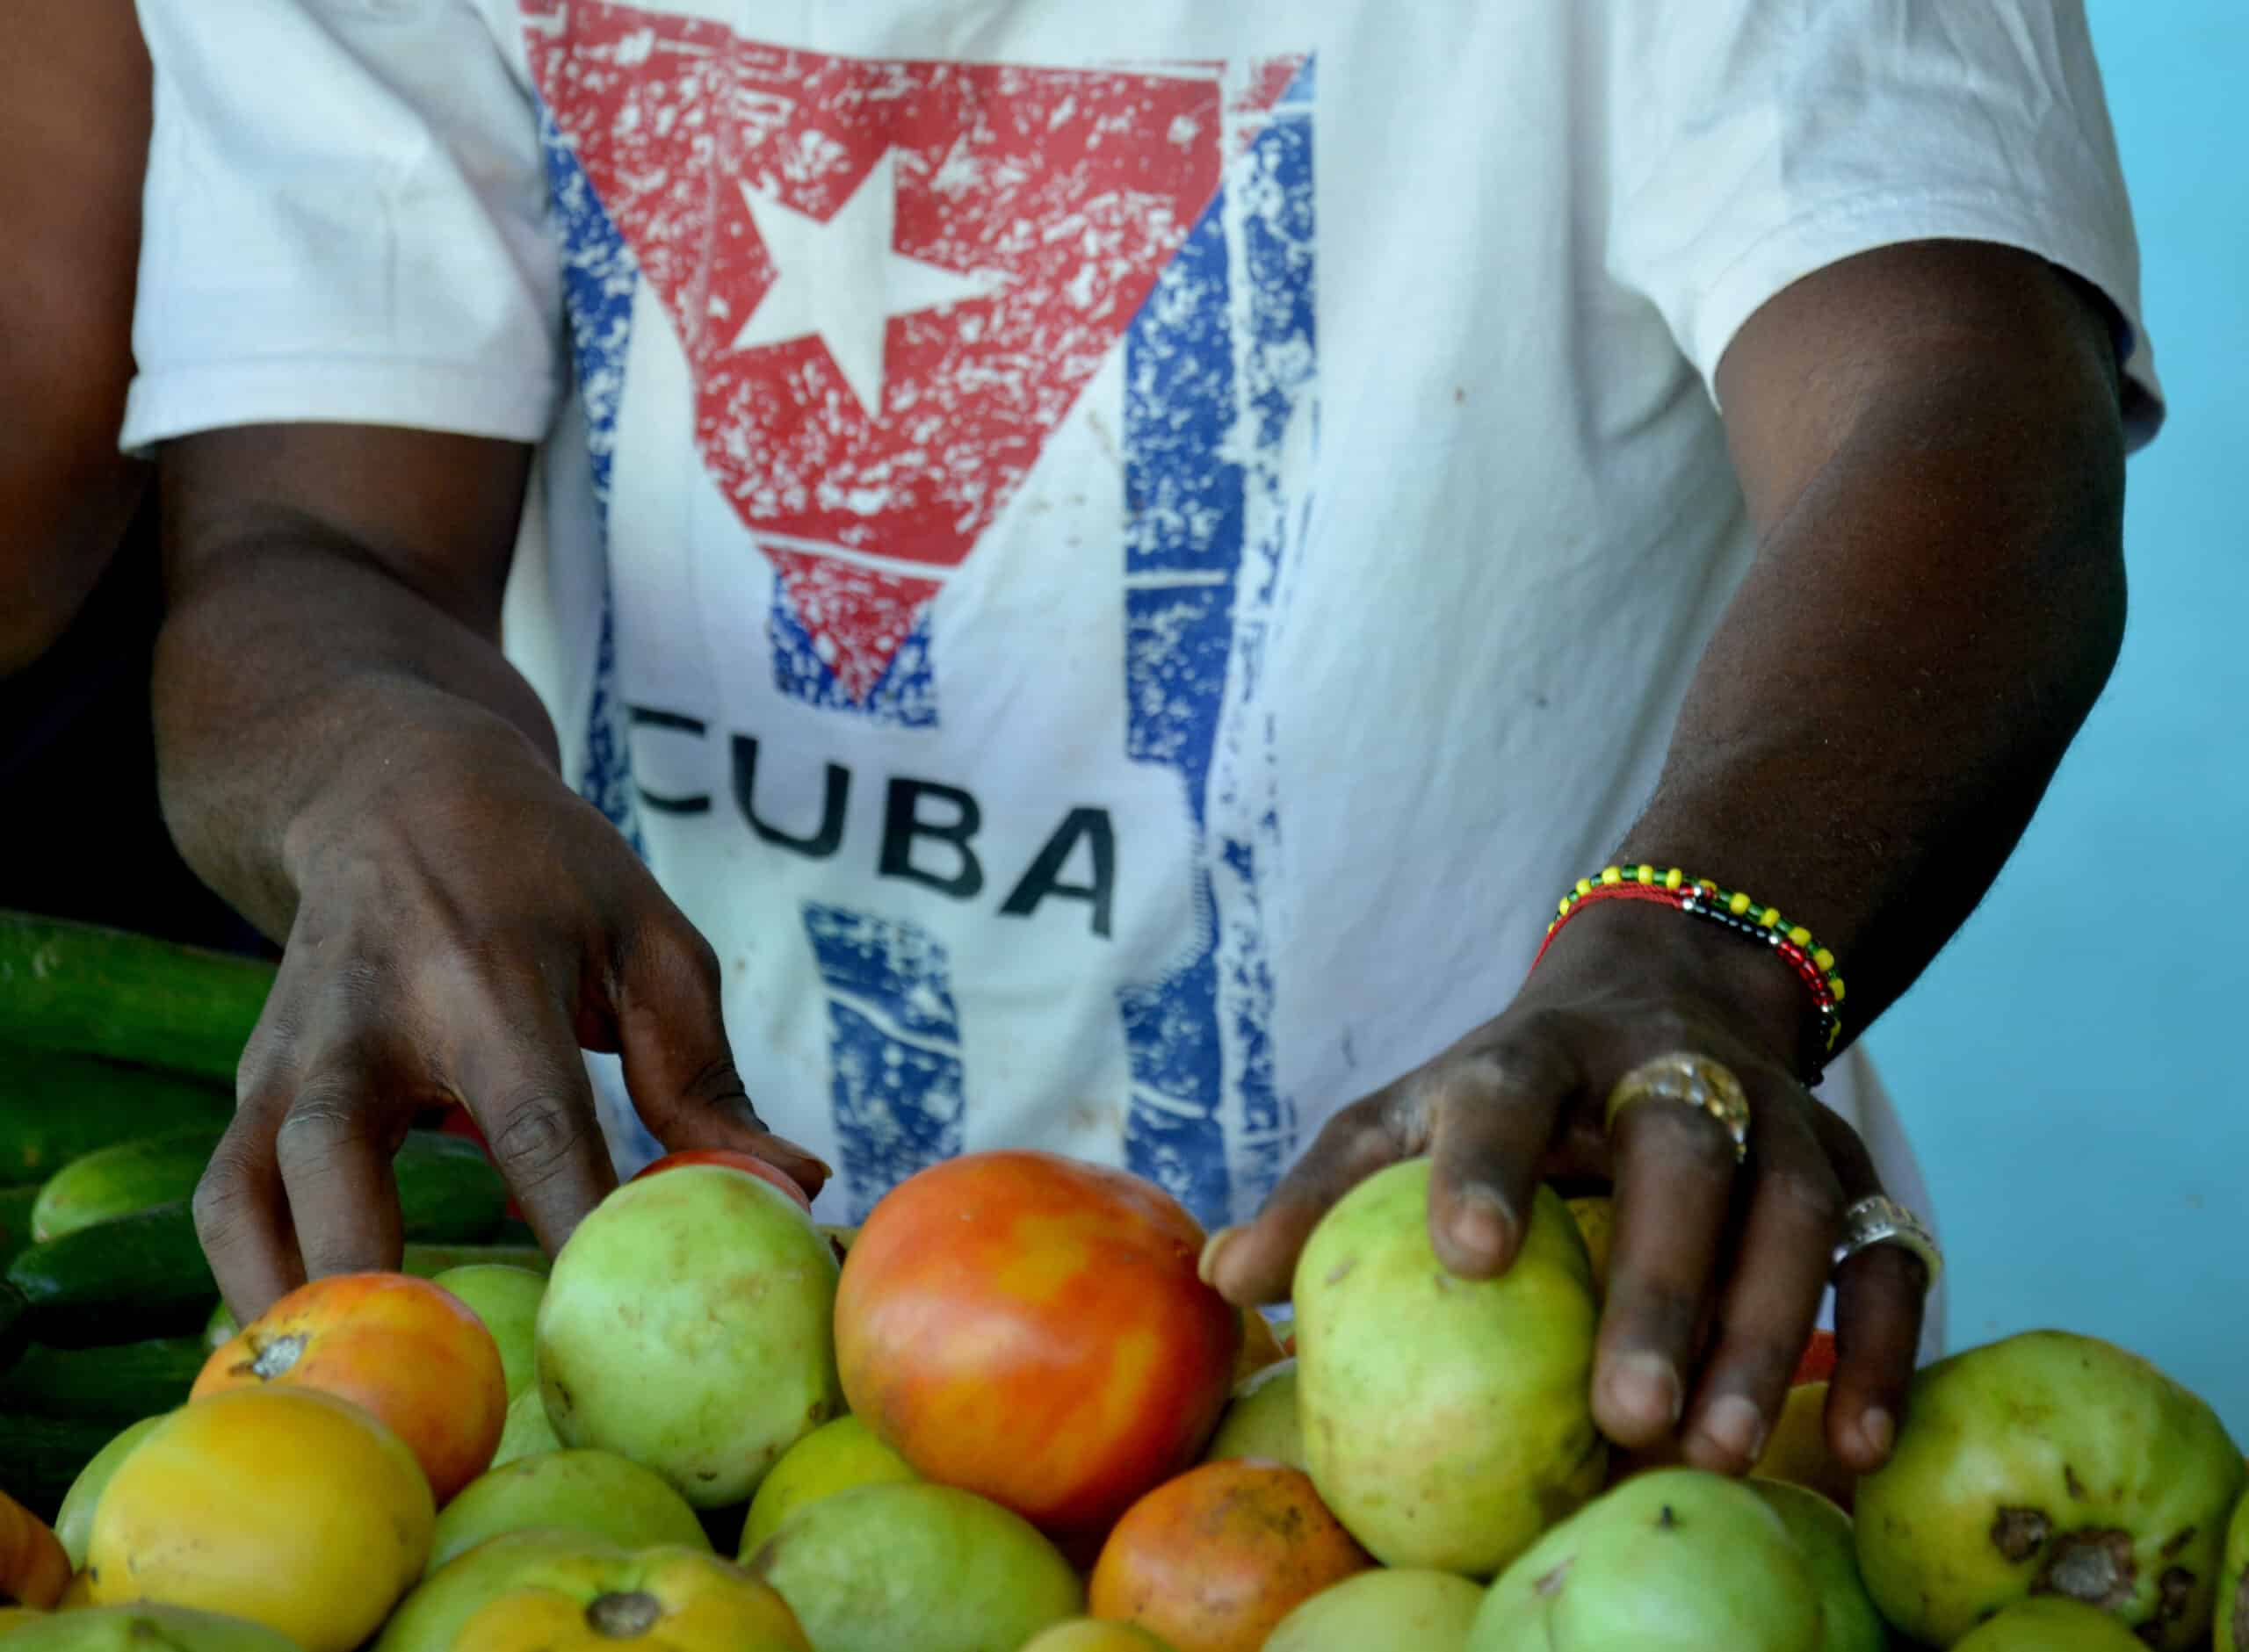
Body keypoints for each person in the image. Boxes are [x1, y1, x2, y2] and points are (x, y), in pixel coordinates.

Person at [121, 0, 2154, 1482]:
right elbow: (303, 534)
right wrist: (366, 758)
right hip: (706, 1453)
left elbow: (1968, 403)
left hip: (1561, 1397)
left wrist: (1701, 944)